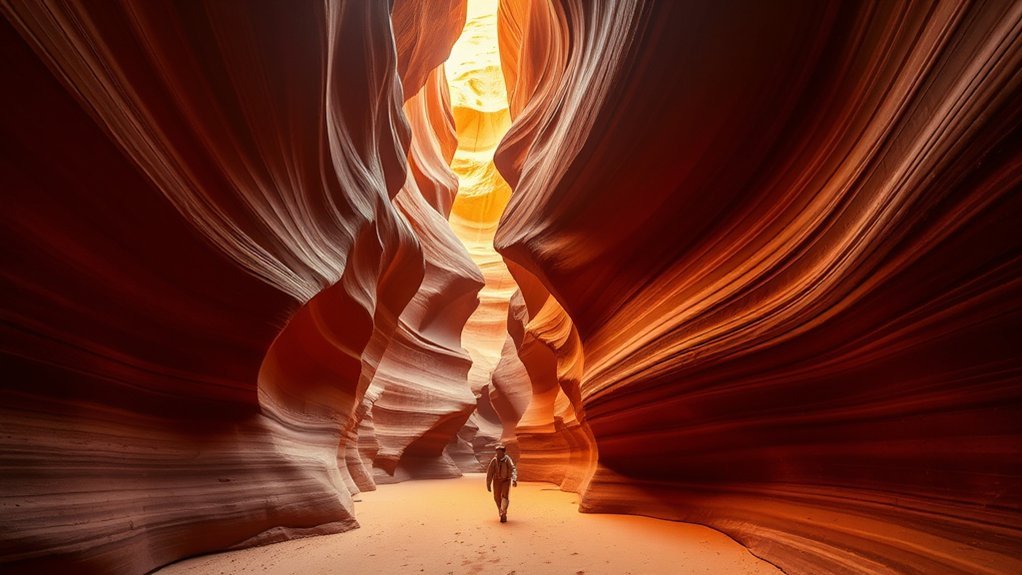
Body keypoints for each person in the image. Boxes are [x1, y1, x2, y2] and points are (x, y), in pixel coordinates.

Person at [485, 445, 517, 523]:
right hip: (496, 481)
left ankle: (503, 512)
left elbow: (513, 469)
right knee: (496, 497)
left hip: (506, 480)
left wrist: (514, 479)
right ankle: (500, 510)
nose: (498, 454)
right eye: (497, 452)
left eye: (500, 452)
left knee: (505, 496)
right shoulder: (494, 460)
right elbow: (490, 473)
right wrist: (488, 484)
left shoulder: (507, 459)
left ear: (503, 452)